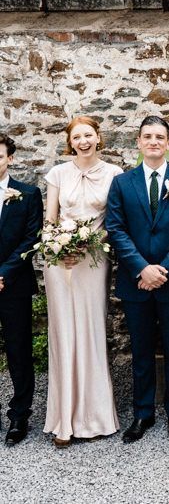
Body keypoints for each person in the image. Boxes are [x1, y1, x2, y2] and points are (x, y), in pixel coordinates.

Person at [105, 115, 169, 444]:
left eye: (160, 137)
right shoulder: (122, 183)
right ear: (138, 142)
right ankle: (142, 413)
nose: (154, 142)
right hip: (136, 282)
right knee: (142, 351)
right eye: (147, 136)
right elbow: (115, 229)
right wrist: (141, 268)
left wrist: (162, 271)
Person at [43, 117, 122, 447]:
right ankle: (63, 421)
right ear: (70, 141)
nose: (84, 141)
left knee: (90, 332)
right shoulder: (58, 174)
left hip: (93, 259)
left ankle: (95, 417)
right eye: (77, 137)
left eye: (89, 134)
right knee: (63, 333)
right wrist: (59, 245)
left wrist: (86, 243)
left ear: (98, 137)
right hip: (59, 262)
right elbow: (49, 219)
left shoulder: (114, 174)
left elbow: (114, 221)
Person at [0, 133, 43, 446]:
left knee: (18, 350)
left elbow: (31, 239)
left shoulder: (28, 194)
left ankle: (19, 414)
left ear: (9, 159)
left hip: (13, 284)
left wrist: (3, 274)